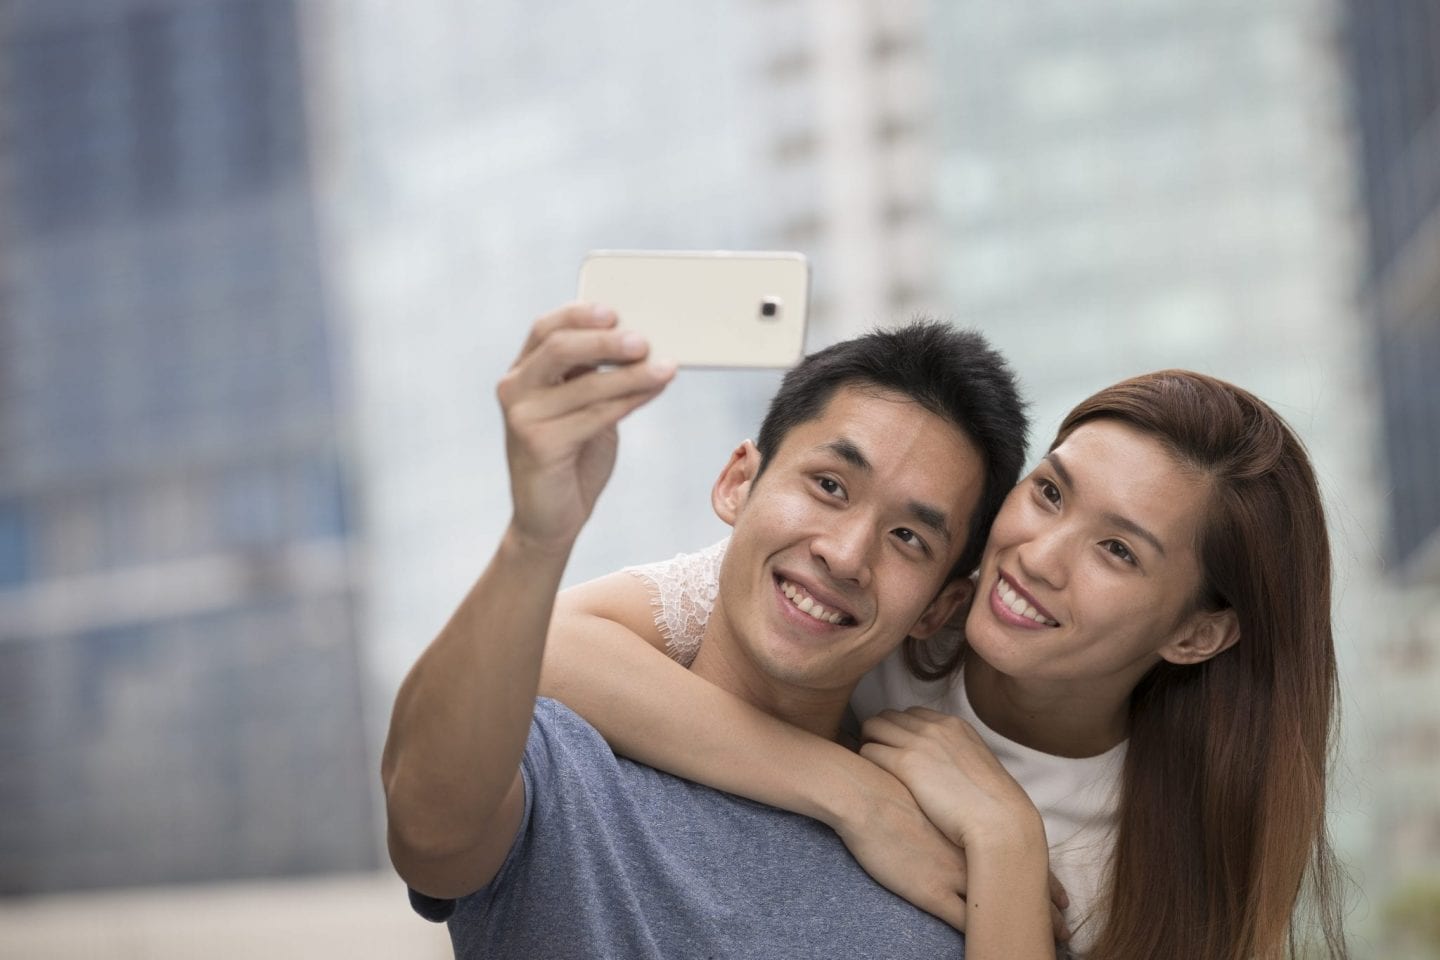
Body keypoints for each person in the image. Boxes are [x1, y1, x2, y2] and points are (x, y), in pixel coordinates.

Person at [541, 368, 1352, 960]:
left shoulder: (1150, 871)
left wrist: (1004, 840)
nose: (1038, 556)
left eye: (1116, 550)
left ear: (1197, 635)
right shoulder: (882, 593)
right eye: (1050, 494)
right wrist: (854, 793)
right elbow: (546, 651)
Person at [381, 302, 1063, 959]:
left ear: (938, 611)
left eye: (910, 537)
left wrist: (1005, 843)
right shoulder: (561, 761)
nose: (848, 554)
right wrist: (535, 539)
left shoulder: (946, 860)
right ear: (739, 482)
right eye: (828, 485)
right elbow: (427, 824)